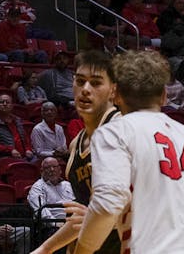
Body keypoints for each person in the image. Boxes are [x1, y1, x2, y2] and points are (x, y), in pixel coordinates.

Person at [73, 50, 184, 254]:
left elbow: (107, 203)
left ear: (115, 94)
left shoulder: (114, 132)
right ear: (164, 96)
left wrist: (82, 249)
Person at [31, 51, 121, 254]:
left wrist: (97, 218)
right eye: (80, 81)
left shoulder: (125, 130)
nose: (86, 90)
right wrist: (45, 249)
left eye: (96, 83)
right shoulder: (75, 144)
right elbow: (81, 216)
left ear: (113, 90)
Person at [27, 156, 74, 236]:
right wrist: (55, 224)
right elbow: (40, 211)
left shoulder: (68, 185)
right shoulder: (37, 187)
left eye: (54, 167)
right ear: (42, 171)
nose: (52, 170)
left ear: (60, 170)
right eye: (48, 167)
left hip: (73, 222)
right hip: (52, 227)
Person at [0, 93, 35, 161]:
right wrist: (9, 150)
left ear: (12, 106)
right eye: (2, 102)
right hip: (4, 158)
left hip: (24, 157)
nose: (5, 104)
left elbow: (26, 140)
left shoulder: (17, 122)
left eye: (7, 102)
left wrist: (28, 149)